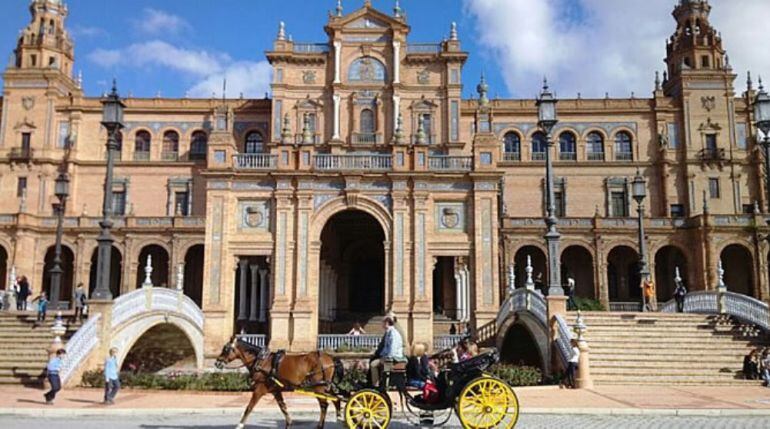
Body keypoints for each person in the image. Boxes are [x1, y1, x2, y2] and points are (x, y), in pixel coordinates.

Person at [370, 316, 404, 388]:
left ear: (386, 323)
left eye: (382, 323)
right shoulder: (389, 332)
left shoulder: (393, 334)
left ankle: (376, 385)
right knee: (374, 360)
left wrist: (386, 358)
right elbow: (385, 349)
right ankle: (378, 383)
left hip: (394, 358)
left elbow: (392, 349)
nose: (381, 325)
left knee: (373, 364)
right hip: (390, 357)